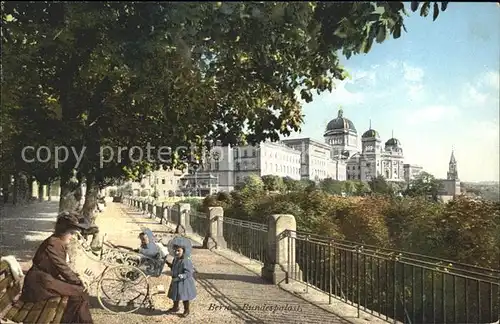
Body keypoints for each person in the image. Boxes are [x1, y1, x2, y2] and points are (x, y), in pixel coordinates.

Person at [20, 211, 94, 324]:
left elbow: (62, 268)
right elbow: (62, 267)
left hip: (44, 281)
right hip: (38, 286)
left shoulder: (57, 241)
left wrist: (77, 278)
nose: (72, 236)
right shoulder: (54, 243)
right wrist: (79, 281)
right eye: (71, 233)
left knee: (79, 293)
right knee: (79, 291)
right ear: (63, 232)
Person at [165, 243, 197, 317]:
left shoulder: (186, 260)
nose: (176, 252)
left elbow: (189, 272)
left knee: (184, 296)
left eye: (178, 251)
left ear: (183, 251)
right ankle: (175, 307)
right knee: (175, 294)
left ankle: (186, 310)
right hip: (176, 280)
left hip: (183, 282)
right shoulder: (176, 259)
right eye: (175, 251)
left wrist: (183, 275)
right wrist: (167, 263)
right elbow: (173, 266)